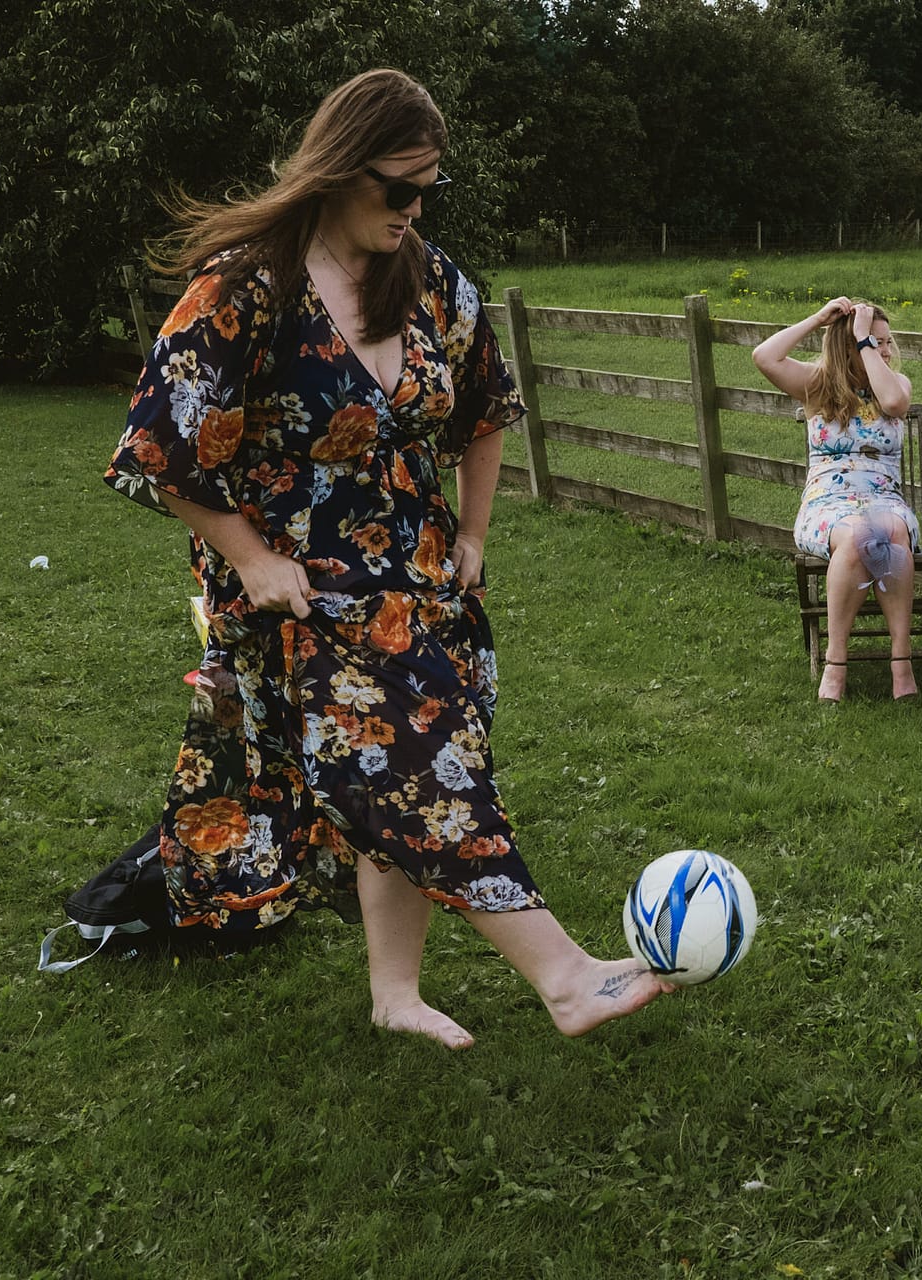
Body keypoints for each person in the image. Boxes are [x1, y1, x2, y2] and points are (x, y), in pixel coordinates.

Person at [103, 69, 668, 1047]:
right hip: (305, 597)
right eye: (397, 187)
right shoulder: (245, 288)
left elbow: (486, 407)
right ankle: (568, 977)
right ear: (338, 168)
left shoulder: (429, 280)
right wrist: (250, 557)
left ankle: (394, 994)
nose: (412, 209)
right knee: (414, 771)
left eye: (427, 190)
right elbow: (158, 448)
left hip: (421, 583)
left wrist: (476, 535)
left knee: (403, 784)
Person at [752, 297, 921, 701]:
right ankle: (837, 660)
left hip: (885, 498)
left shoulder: (896, 384)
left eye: (886, 342)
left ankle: (901, 660)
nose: (885, 350)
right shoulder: (817, 384)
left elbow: (894, 404)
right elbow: (764, 356)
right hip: (827, 502)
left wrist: (864, 341)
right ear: (845, 346)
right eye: (875, 341)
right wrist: (818, 319)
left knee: (891, 530)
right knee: (860, 535)